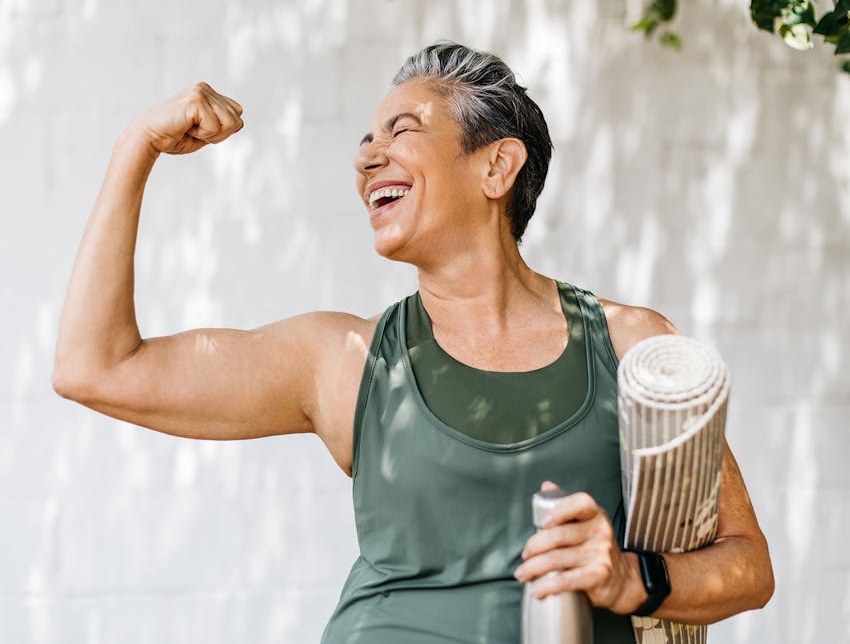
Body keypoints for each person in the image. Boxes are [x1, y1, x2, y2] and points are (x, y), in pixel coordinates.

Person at [53, 42, 774, 643]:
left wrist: (630, 576)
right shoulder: (344, 360)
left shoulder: (632, 345)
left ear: (496, 166)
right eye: (366, 141)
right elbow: (95, 366)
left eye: (401, 130)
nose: (369, 157)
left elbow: (748, 565)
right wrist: (134, 148)